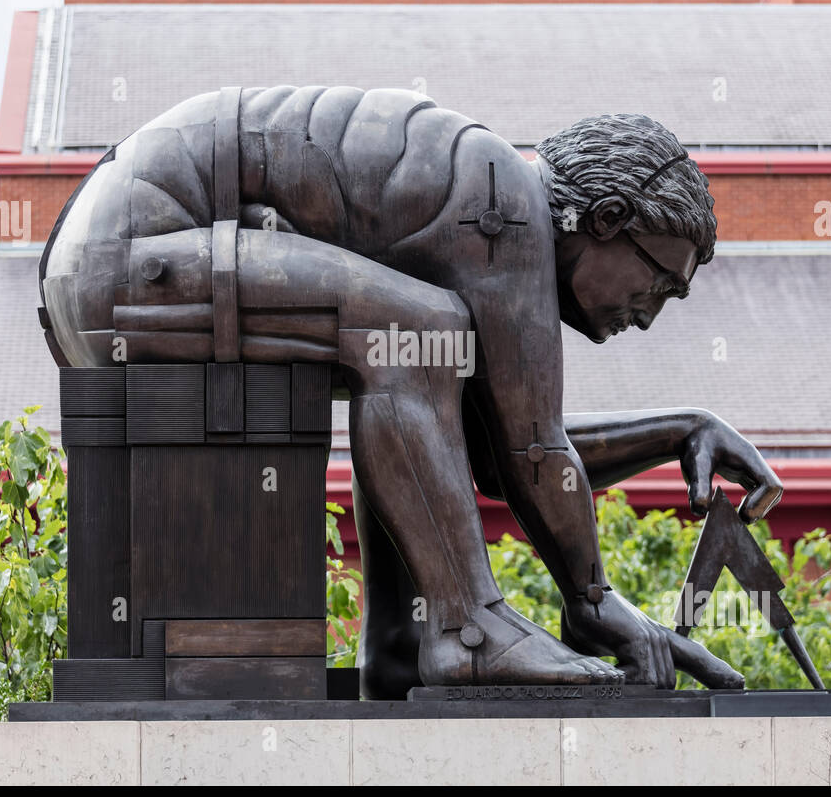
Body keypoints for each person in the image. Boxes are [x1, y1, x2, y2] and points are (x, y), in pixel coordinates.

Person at [40, 85, 783, 699]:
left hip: (121, 267)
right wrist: (594, 603)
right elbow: (531, 453)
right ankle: (467, 632)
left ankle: (399, 649)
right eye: (658, 282)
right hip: (130, 262)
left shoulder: (487, 202)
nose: (648, 315)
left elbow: (497, 453)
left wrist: (681, 430)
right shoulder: (505, 202)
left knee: (418, 352)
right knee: (418, 331)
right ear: (609, 219)